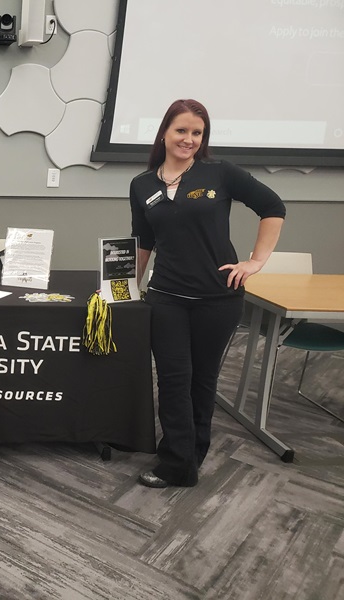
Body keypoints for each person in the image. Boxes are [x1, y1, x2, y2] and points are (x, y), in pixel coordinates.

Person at [130, 99, 286, 488]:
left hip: (218, 299)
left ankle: (192, 452)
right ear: (164, 132)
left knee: (202, 381)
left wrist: (255, 261)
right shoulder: (142, 184)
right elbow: (144, 242)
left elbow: (273, 206)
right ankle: (177, 462)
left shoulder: (220, 173)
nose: (189, 139)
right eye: (181, 130)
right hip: (166, 298)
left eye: (197, 133)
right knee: (173, 379)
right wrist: (128, 287)